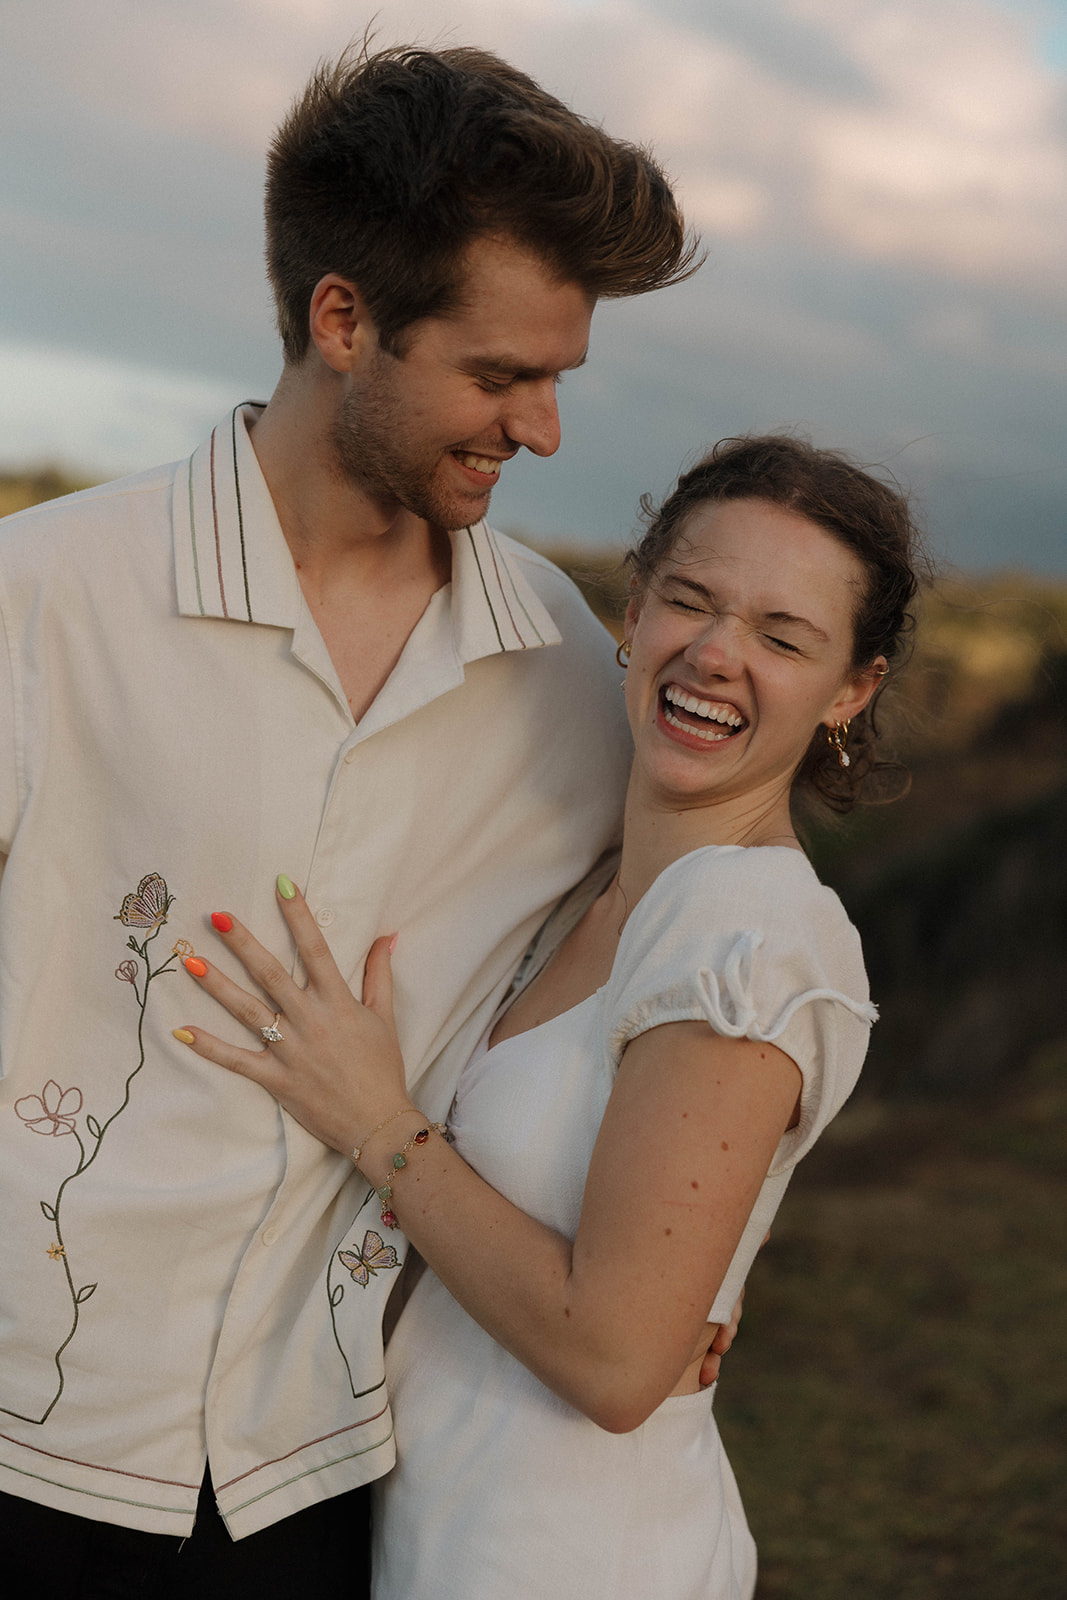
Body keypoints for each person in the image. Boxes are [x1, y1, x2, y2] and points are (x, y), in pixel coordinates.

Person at [0, 42, 701, 1598]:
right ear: (342, 319)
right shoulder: (40, 603)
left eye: (558, 379)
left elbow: (660, 984)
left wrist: (694, 1255)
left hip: (320, 1482)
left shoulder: (568, 679)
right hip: (20, 1447)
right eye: (499, 375)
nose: (541, 429)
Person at [176, 433, 922, 1599]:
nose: (716, 653)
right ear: (634, 606)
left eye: (782, 638)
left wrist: (376, 1123)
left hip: (570, 1552)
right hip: (442, 1524)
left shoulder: (746, 931)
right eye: (691, 599)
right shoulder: (592, 888)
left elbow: (614, 1359)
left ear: (849, 689)